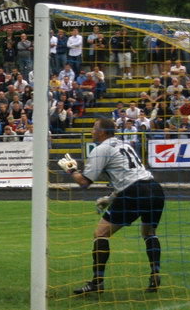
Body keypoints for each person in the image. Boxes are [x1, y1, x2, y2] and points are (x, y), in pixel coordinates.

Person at [58, 117, 165, 294]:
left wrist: (71, 170)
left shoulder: (101, 149)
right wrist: (111, 198)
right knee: (149, 233)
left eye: (94, 128)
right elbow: (131, 175)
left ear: (102, 132)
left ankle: (97, 282)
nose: (92, 131)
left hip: (134, 192)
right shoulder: (125, 145)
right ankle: (155, 273)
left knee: (100, 233)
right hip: (154, 189)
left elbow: (84, 182)